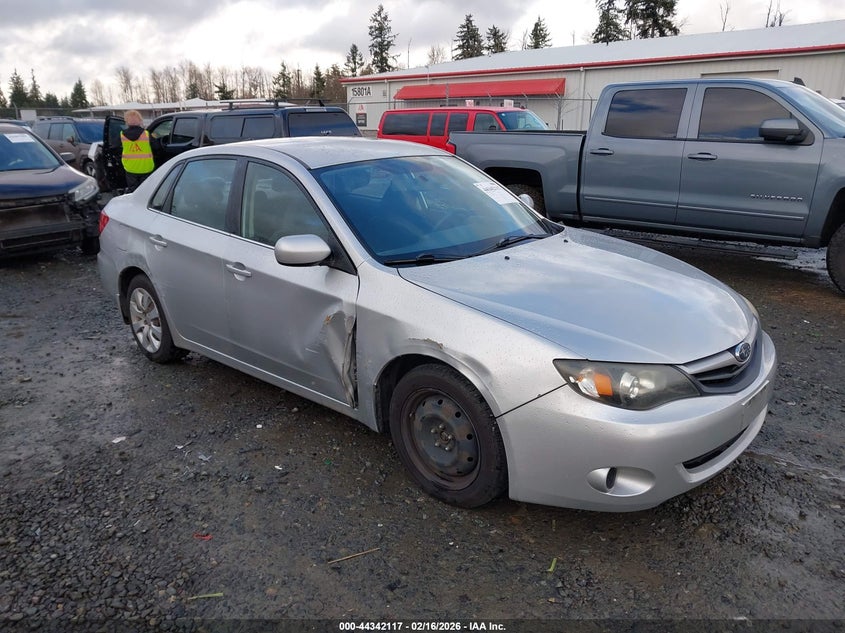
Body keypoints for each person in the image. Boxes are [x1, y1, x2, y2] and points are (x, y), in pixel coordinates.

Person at [119, 110, 154, 192]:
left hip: (130, 168)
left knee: (133, 191)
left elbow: (114, 146)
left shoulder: (122, 134)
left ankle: (134, 203)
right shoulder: (146, 134)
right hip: (146, 168)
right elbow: (156, 146)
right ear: (140, 120)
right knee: (146, 191)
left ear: (127, 121)